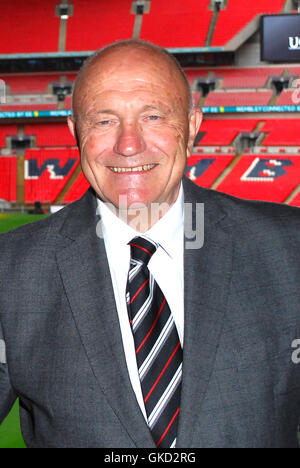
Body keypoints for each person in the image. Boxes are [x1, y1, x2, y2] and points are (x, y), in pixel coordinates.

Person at [0, 39, 300, 448]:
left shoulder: (290, 250)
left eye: (154, 116)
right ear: (74, 132)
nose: (128, 145)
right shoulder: (11, 271)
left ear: (193, 124)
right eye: (104, 121)